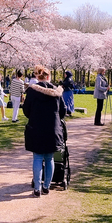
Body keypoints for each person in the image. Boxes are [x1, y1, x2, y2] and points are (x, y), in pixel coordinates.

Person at [22, 65, 65, 196]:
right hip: (52, 128)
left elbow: (26, 110)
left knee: (37, 157)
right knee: (49, 158)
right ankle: (46, 186)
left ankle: (37, 187)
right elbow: (63, 111)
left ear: (37, 76)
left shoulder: (32, 91)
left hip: (36, 127)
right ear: (48, 76)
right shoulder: (57, 92)